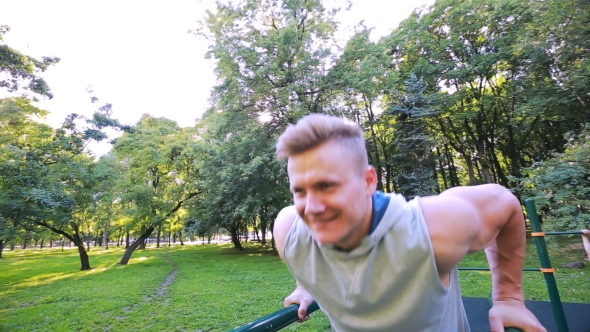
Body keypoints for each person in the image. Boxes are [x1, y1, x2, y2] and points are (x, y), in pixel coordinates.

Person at [273, 114, 546, 332]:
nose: (313, 207)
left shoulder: (434, 227)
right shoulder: (290, 232)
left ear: (368, 181)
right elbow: (302, 249)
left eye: (327, 186)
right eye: (300, 191)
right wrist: (304, 286)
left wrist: (508, 297)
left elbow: (505, 202)